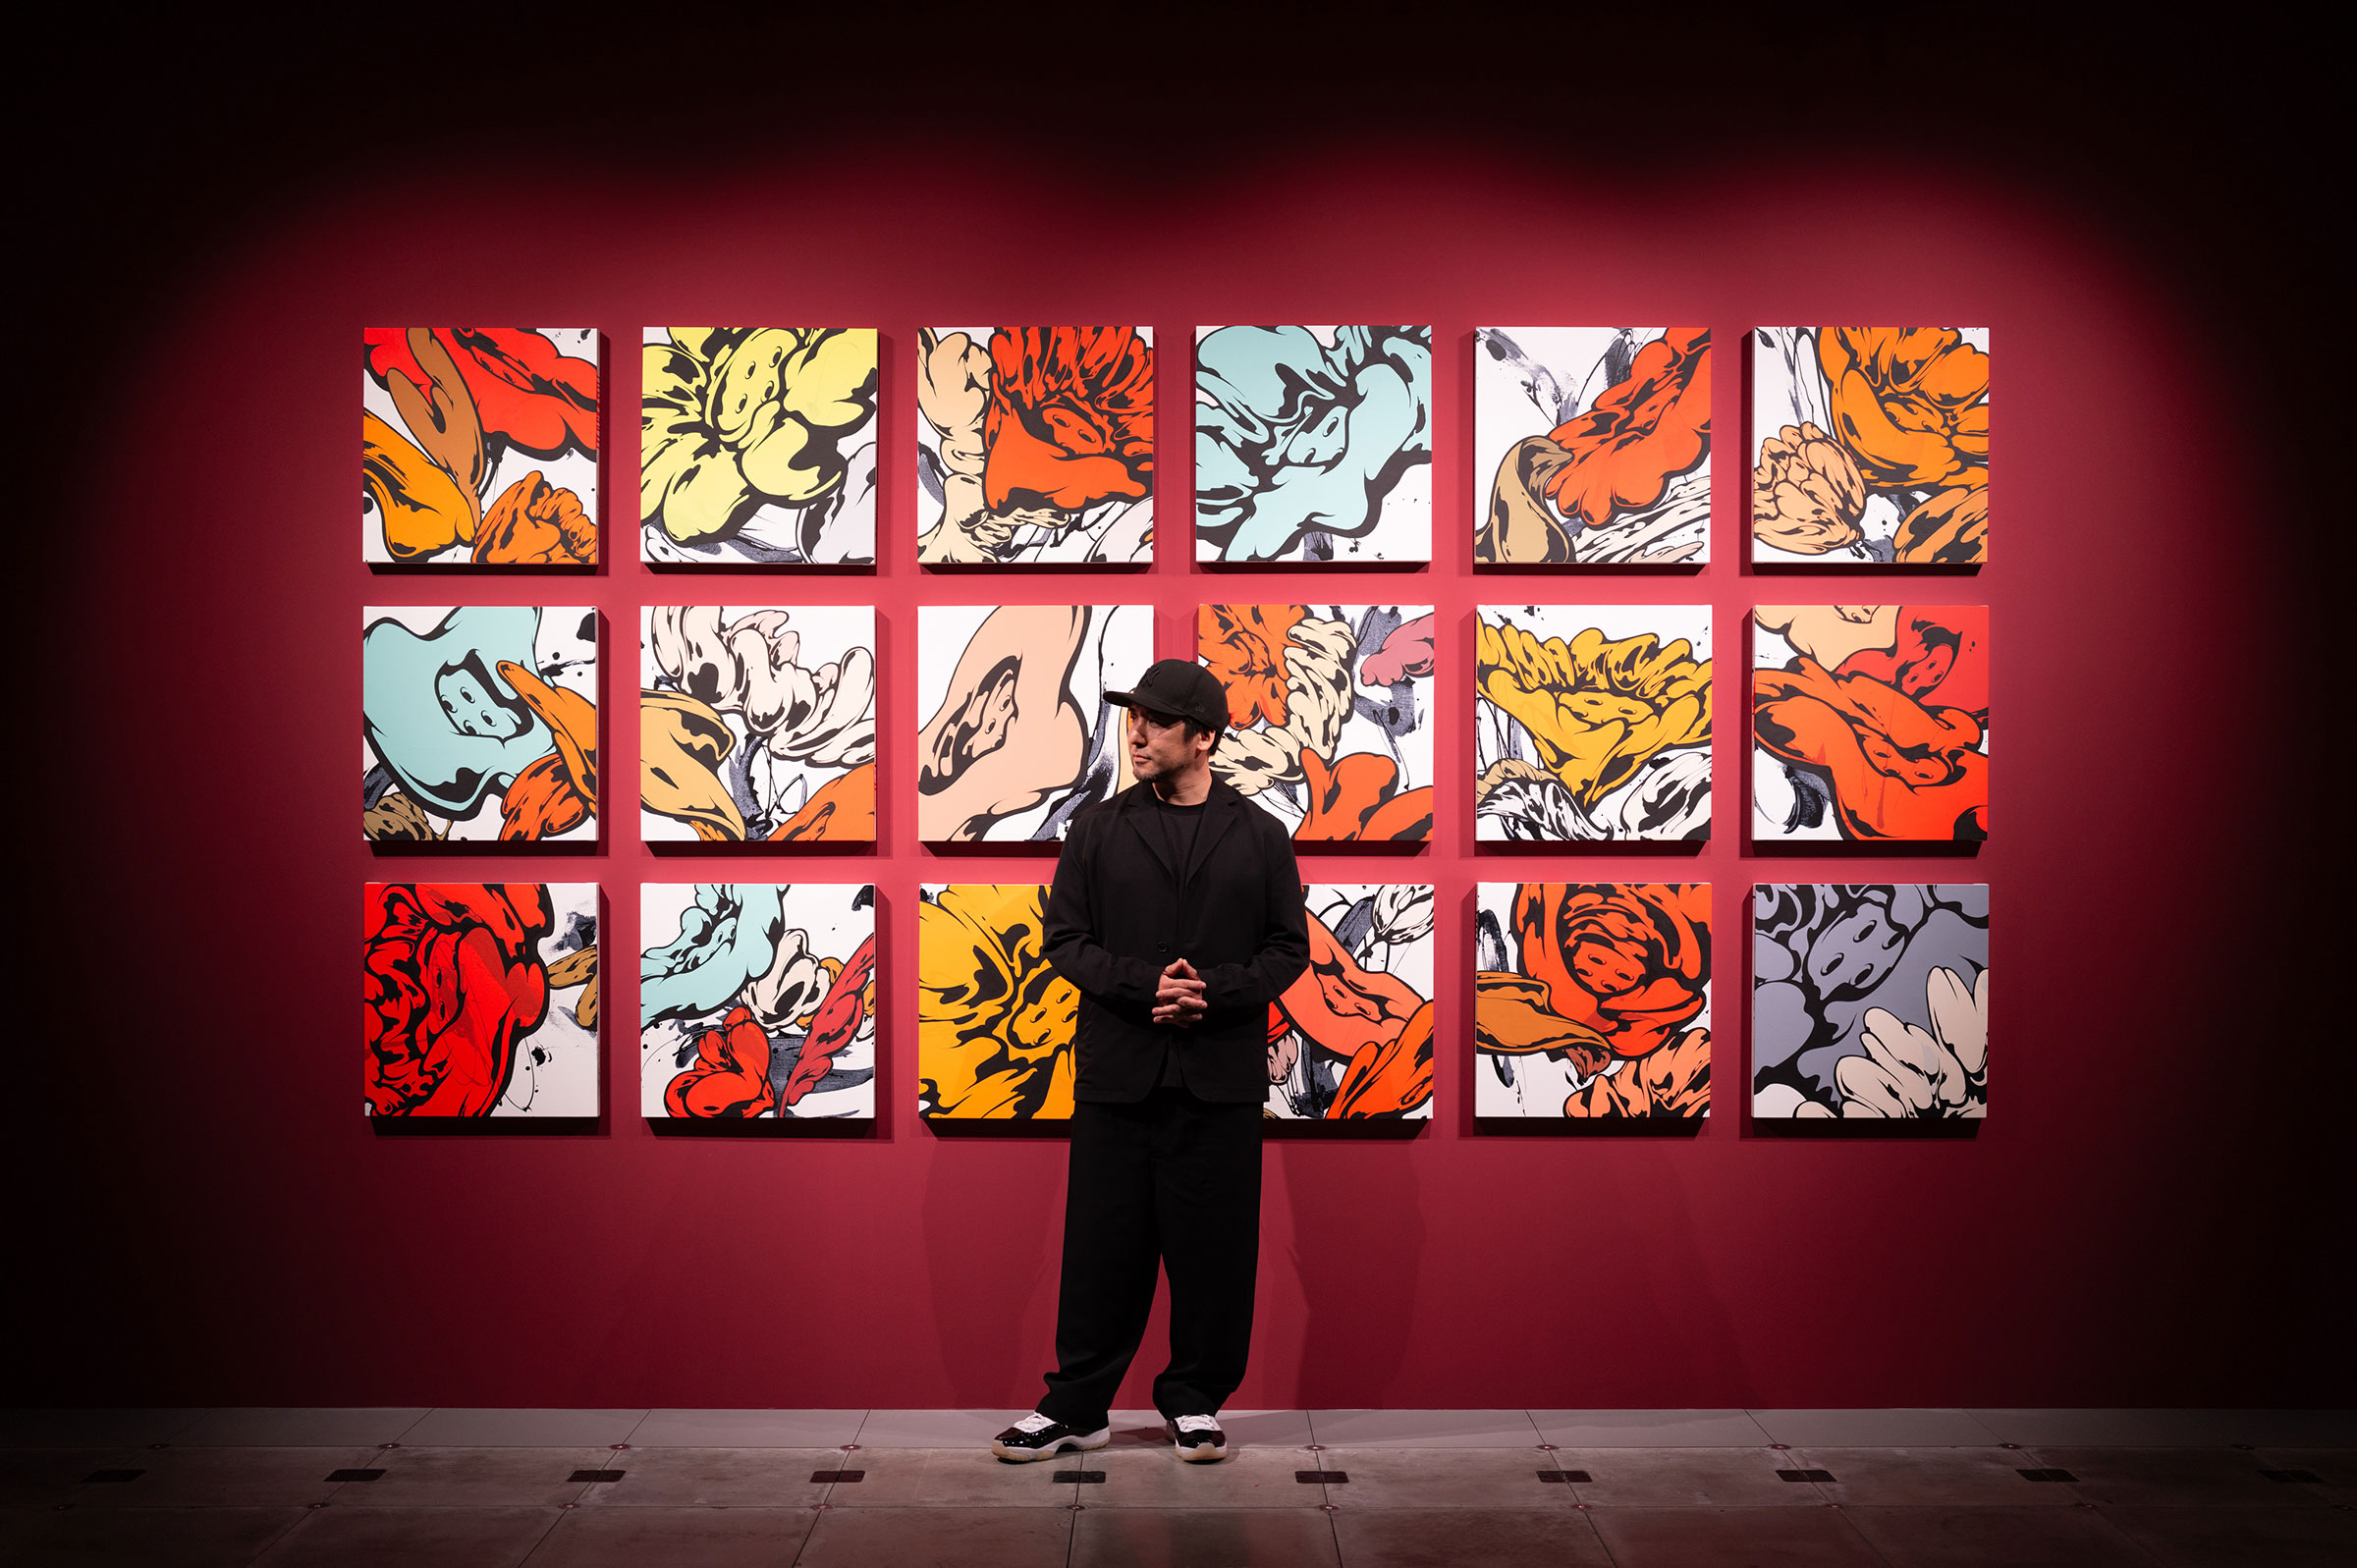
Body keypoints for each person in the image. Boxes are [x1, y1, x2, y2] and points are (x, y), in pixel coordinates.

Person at [991, 658, 1309, 1465]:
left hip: (1219, 1076)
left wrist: (1215, 992)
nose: (1136, 732)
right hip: (1118, 1071)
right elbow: (1066, 940)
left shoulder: (1262, 836)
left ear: (1203, 737)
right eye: (1134, 717)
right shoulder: (1096, 828)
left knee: (1215, 1252)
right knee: (1101, 1247)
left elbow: (1287, 949)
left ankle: (1195, 1402)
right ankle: (1076, 1407)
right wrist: (1144, 988)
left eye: (1157, 721)